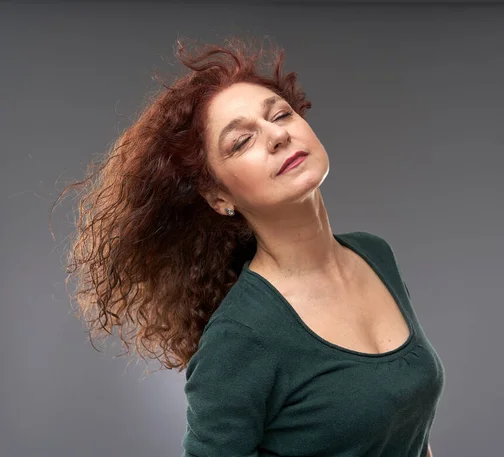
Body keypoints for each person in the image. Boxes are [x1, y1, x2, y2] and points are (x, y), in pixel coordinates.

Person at [51, 36, 444, 457]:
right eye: (241, 142)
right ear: (219, 197)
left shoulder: (376, 255)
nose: (276, 135)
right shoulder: (240, 339)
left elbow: (410, 438)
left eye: (280, 115)